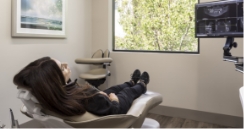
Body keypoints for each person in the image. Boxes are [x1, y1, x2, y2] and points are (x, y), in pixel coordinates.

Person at [13, 57, 150, 116]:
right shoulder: (86, 99)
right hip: (113, 107)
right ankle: (141, 85)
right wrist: (114, 100)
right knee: (127, 93)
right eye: (62, 68)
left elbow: (86, 95)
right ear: (53, 81)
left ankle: (131, 81)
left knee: (113, 88)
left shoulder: (54, 96)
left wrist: (98, 94)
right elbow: (115, 111)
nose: (67, 66)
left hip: (97, 99)